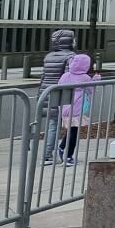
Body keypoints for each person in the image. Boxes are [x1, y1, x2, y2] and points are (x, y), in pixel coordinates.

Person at [39, 29, 76, 165]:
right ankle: (65, 154)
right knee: (71, 125)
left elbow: (43, 77)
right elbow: (68, 78)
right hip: (63, 96)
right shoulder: (70, 56)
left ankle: (47, 155)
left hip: (48, 92)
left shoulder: (48, 56)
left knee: (52, 124)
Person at [57, 53, 100, 165]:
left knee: (71, 130)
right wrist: (95, 80)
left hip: (65, 107)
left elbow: (59, 87)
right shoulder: (85, 78)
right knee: (74, 132)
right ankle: (68, 155)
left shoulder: (65, 76)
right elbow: (90, 90)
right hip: (76, 108)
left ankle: (62, 148)